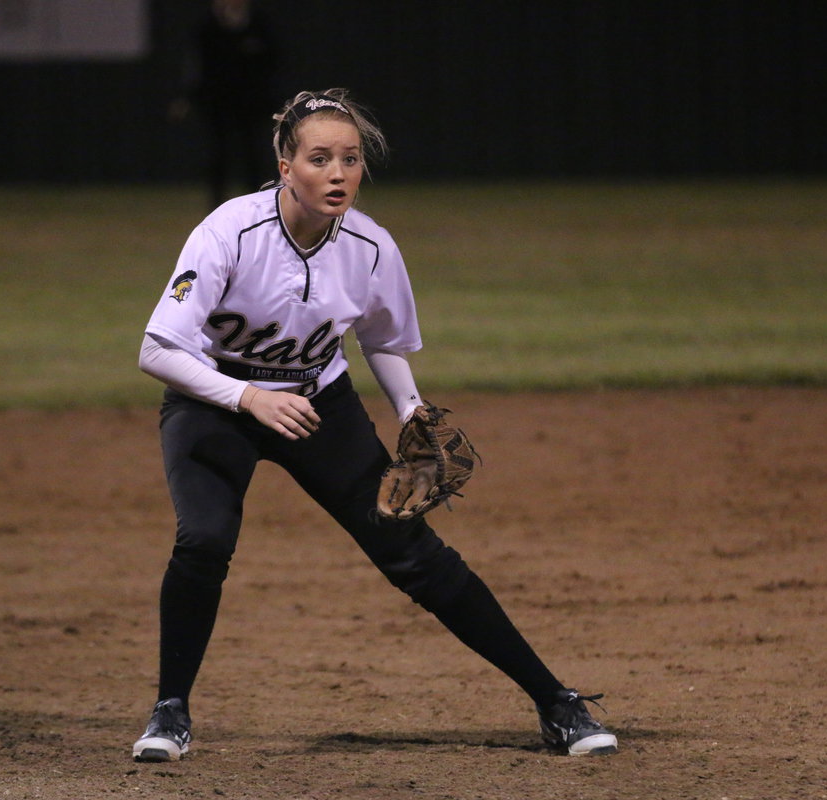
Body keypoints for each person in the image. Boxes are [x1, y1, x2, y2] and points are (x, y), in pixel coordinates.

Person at [132, 88, 618, 762]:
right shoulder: (228, 233)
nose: (337, 174)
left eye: (351, 160)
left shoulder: (371, 246)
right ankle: (170, 712)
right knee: (205, 540)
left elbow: (380, 338)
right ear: (284, 164)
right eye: (320, 158)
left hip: (319, 406)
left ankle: (556, 702)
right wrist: (248, 398)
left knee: (412, 551)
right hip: (214, 403)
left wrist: (410, 407)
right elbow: (157, 350)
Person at [169, 0, 278, 209]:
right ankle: (216, 205)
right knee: (218, 155)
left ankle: (256, 204)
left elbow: (273, 64)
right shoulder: (206, 26)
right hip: (217, 104)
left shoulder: (260, 23)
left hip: (251, 105)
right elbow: (195, 67)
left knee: (253, 154)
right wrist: (186, 97)